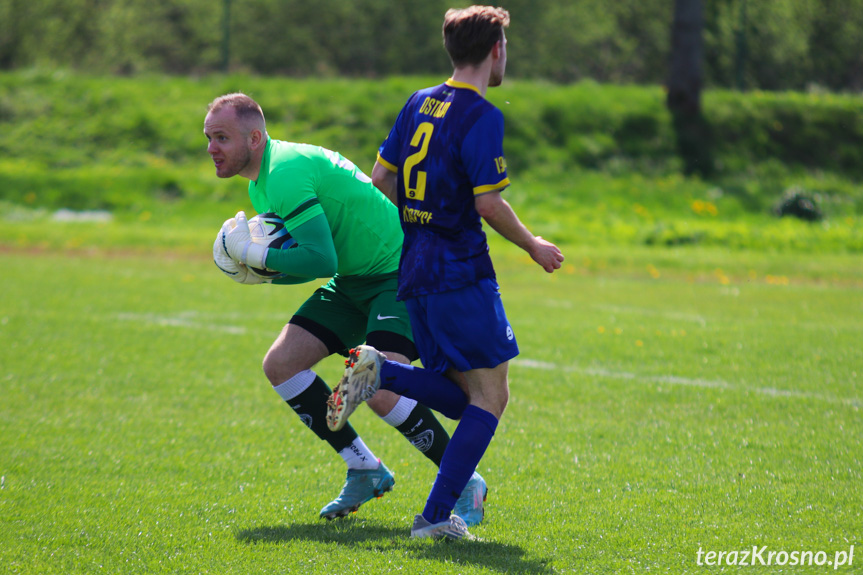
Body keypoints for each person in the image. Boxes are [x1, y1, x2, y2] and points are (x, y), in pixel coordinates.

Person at [327, 5, 564, 540]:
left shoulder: (418, 102)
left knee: (464, 397)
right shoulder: (482, 115)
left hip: (416, 270)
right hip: (460, 271)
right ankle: (434, 518)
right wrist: (532, 244)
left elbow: (381, 179)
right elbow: (487, 204)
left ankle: (382, 373)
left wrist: (409, 236)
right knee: (492, 398)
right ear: (496, 49)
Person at [203, 93, 487, 523]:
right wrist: (264, 271)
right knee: (281, 364)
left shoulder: (285, 172)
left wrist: (260, 257)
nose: (211, 148)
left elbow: (321, 259)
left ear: (255, 137)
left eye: (221, 137)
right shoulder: (260, 183)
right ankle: (364, 468)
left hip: (399, 271)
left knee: (381, 386)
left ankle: (464, 480)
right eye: (208, 138)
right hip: (354, 279)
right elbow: (317, 260)